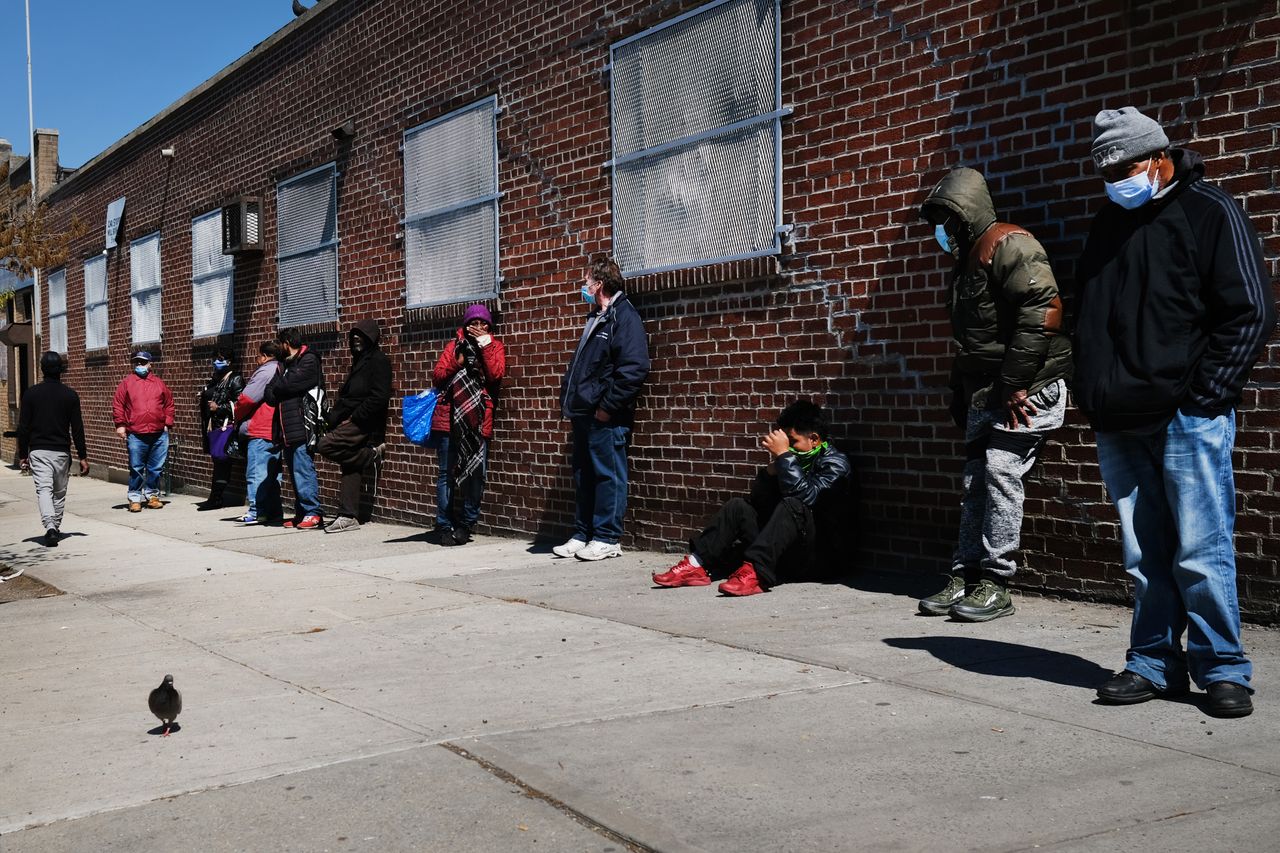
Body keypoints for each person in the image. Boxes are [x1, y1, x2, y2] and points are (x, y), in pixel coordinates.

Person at [1075, 107, 1276, 718]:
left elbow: (1250, 311)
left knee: (1200, 548)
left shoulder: (1209, 210)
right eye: (1106, 172)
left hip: (1187, 414)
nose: (1117, 180)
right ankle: (1153, 663)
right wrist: (1093, 392)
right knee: (1143, 554)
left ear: (1160, 157)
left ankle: (1222, 667)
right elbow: (1090, 315)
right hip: (1120, 418)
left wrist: (1205, 394)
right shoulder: (1108, 224)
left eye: (1127, 167)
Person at [916, 166, 1072, 622]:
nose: (940, 230)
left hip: (1028, 388)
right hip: (988, 390)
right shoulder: (964, 261)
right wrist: (958, 393)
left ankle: (997, 582)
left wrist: (1016, 382)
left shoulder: (1010, 244)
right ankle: (965, 574)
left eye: (946, 219)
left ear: (965, 215)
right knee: (975, 482)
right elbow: (972, 340)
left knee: (1002, 471)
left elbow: (1042, 309)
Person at [652, 401, 852, 596]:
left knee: (793, 504)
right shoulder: (790, 462)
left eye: (793, 442)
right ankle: (697, 564)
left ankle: (756, 572)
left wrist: (784, 457)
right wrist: (768, 475)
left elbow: (805, 498)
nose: (788, 448)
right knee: (738, 506)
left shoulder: (835, 464)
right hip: (785, 553)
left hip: (819, 560)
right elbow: (759, 503)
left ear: (814, 439)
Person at [554, 254, 650, 561]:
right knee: (584, 474)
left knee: (608, 475)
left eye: (586, 281)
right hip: (584, 413)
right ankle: (583, 534)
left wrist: (607, 407)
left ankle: (607, 537)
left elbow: (634, 368)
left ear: (600, 283)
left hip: (605, 416)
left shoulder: (624, 317)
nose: (583, 286)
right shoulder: (596, 317)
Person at [429, 304, 507, 546]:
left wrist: (484, 346)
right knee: (446, 474)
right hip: (449, 418)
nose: (479, 327)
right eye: (474, 323)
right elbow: (438, 376)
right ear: (466, 325)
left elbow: (495, 375)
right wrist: (458, 361)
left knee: (476, 474)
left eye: (484, 324)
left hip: (477, 419)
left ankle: (466, 524)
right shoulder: (454, 346)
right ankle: (443, 525)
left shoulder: (495, 347)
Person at [316, 320, 392, 533]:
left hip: (361, 422)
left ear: (372, 339)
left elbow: (379, 397)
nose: (356, 340)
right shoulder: (359, 361)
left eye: (361, 336)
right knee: (351, 465)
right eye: (353, 336)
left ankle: (370, 455)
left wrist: (355, 418)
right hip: (347, 419)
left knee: (323, 445)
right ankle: (348, 516)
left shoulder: (378, 361)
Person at [16, 351, 89, 547]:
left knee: (44, 490)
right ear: (61, 371)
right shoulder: (70, 396)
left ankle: (51, 528)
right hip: (61, 453)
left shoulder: (30, 394)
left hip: (38, 451)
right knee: (58, 492)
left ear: (42, 370)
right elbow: (78, 428)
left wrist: (23, 454)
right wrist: (83, 456)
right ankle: (53, 526)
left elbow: (23, 428)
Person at [264, 328, 324, 530]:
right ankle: (301, 514)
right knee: (294, 471)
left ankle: (313, 513)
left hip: (302, 425)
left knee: (303, 469)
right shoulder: (283, 365)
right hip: (285, 428)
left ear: (287, 343)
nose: (278, 347)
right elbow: (269, 394)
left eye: (279, 343)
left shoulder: (309, 360)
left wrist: (281, 387)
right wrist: (282, 387)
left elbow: (287, 385)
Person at [111, 350, 175, 512]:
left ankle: (152, 495)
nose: (139, 365)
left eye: (143, 362)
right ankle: (134, 497)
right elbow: (118, 405)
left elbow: (169, 404)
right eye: (137, 362)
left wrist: (167, 423)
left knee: (156, 467)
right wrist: (120, 425)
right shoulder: (127, 383)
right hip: (136, 433)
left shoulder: (159, 383)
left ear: (150, 364)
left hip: (159, 432)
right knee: (136, 467)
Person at [233, 341, 284, 525]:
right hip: (276, 429)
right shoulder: (282, 368)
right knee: (272, 474)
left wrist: (236, 414)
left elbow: (247, 399)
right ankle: (274, 512)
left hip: (261, 427)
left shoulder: (265, 371)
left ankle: (257, 511)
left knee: (256, 473)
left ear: (264, 356)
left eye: (258, 356)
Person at [197, 348, 244, 510]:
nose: (216, 362)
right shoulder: (216, 378)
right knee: (218, 461)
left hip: (226, 427)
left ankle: (216, 498)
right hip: (214, 426)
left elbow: (239, 403)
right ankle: (215, 497)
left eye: (220, 359)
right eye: (215, 359)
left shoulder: (235, 378)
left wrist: (219, 407)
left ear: (229, 362)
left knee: (222, 461)